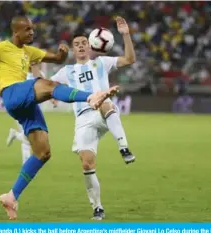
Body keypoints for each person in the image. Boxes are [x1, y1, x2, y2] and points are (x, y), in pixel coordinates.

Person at [0, 16, 119, 220]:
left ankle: (11, 196)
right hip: (12, 93)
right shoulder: (0, 48)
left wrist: (62, 53)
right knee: (48, 85)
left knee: (43, 152)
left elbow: (56, 59)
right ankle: (90, 97)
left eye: (32, 29)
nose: (32, 32)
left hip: (24, 104)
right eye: (27, 30)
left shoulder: (29, 51)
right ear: (16, 32)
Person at [50, 16, 136, 220]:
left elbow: (129, 59)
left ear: (91, 46)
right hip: (82, 119)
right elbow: (47, 86)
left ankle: (124, 147)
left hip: (102, 112)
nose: (80, 46)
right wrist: (52, 96)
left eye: (83, 43)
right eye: (76, 44)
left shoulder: (101, 63)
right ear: (73, 49)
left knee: (105, 101)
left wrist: (126, 35)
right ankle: (97, 207)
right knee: (87, 165)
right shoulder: (66, 72)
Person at [6, 63, 57, 164]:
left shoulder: (39, 75)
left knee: (31, 136)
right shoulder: (20, 74)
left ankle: (15, 134)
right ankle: (26, 163)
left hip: (35, 109)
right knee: (28, 137)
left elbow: (45, 88)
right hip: (22, 109)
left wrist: (52, 100)